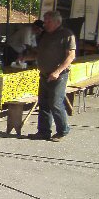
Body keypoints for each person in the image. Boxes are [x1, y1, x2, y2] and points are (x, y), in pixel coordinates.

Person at [24, 11, 76, 142]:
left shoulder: (66, 35)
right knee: (43, 104)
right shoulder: (45, 35)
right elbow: (39, 54)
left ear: (57, 22)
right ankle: (43, 132)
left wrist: (58, 71)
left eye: (48, 21)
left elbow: (71, 56)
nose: (45, 24)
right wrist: (25, 57)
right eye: (45, 21)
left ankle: (63, 130)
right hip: (44, 74)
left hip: (59, 75)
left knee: (55, 103)